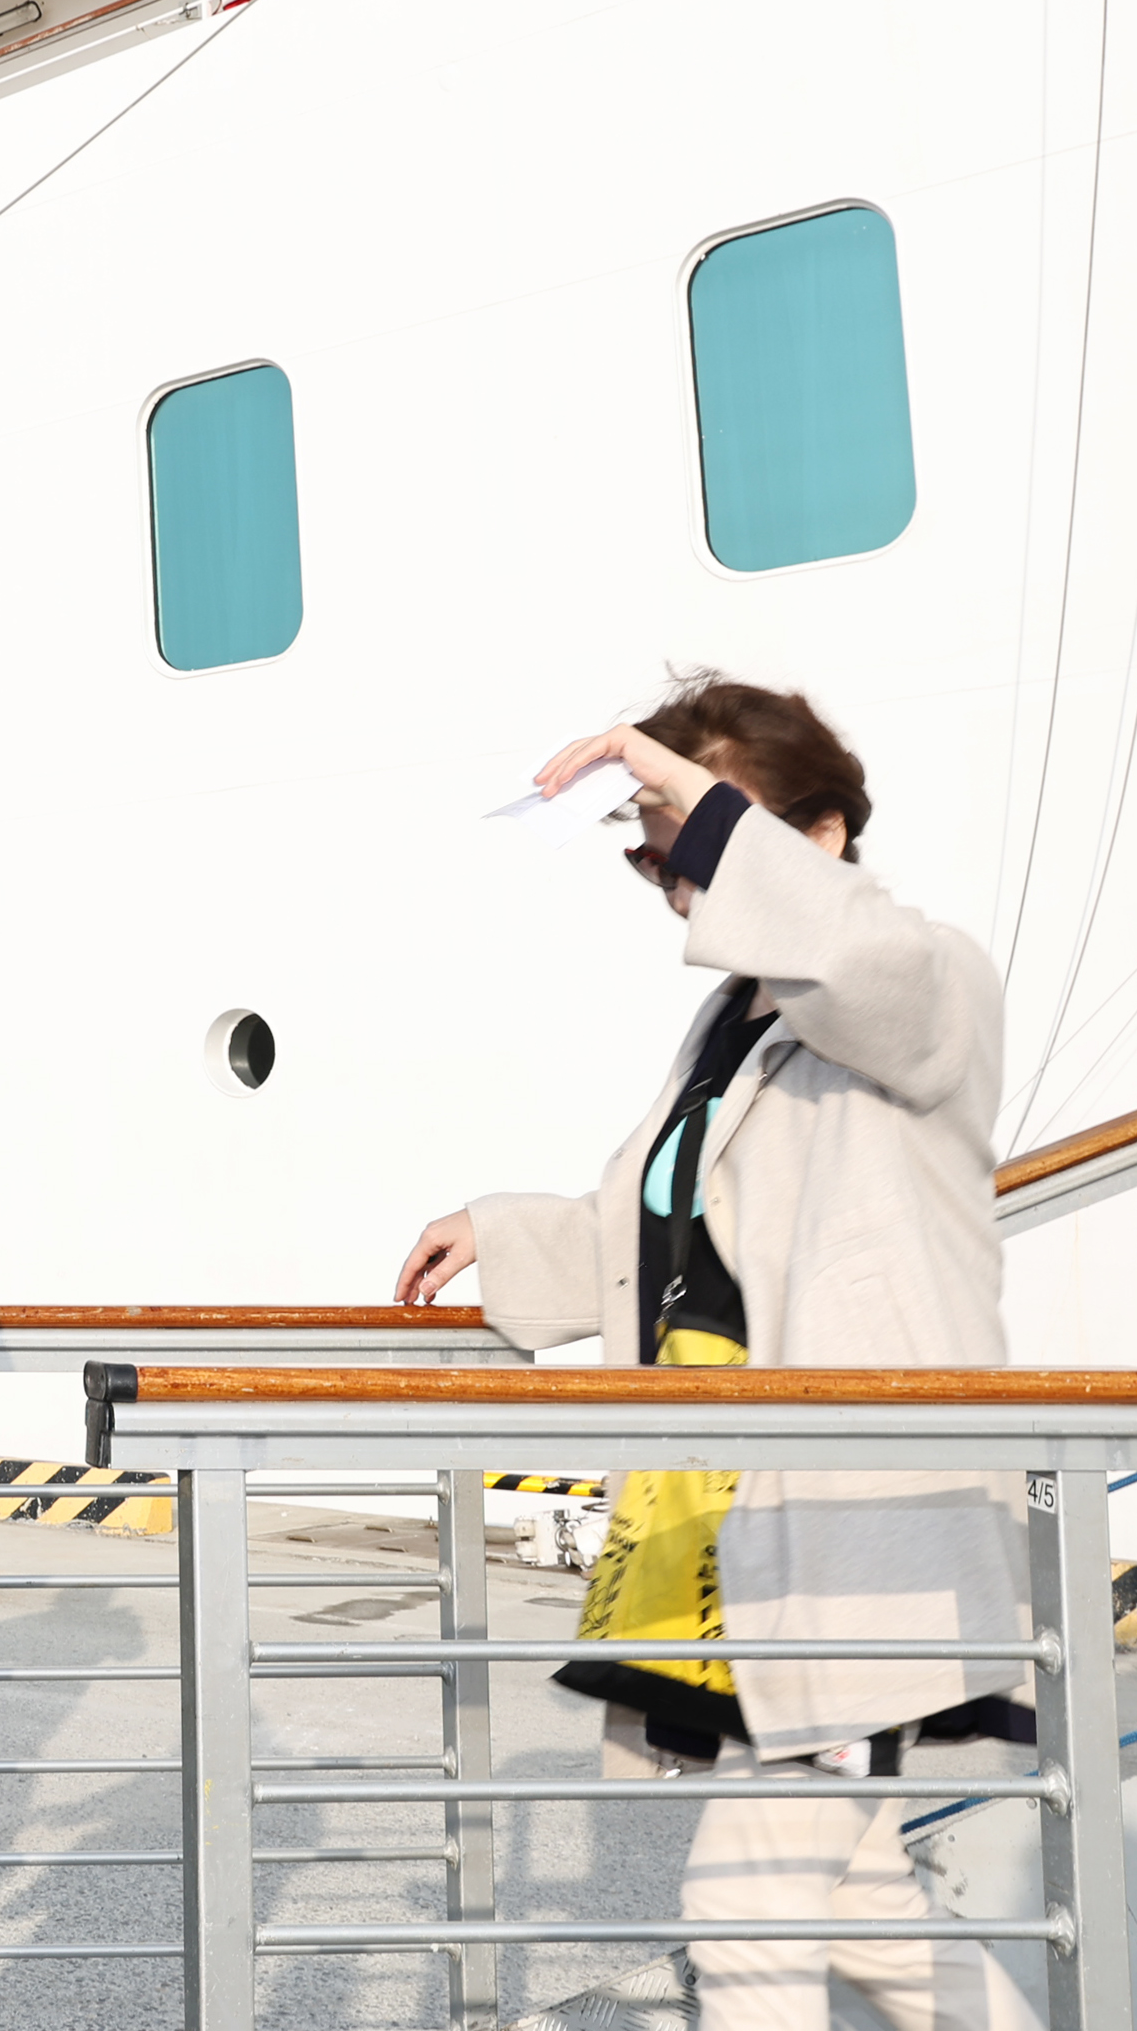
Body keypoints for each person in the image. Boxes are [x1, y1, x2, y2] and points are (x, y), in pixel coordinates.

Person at [393, 676, 1040, 2031]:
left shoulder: (926, 981)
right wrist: (502, 1234)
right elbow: (680, 1229)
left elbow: (861, 965)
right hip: (752, 1532)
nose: (674, 881)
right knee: (866, 1911)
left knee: (744, 1920)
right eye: (653, 856)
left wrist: (679, 789)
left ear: (825, 833)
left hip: (865, 1536)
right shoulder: (733, 1022)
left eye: (691, 842)